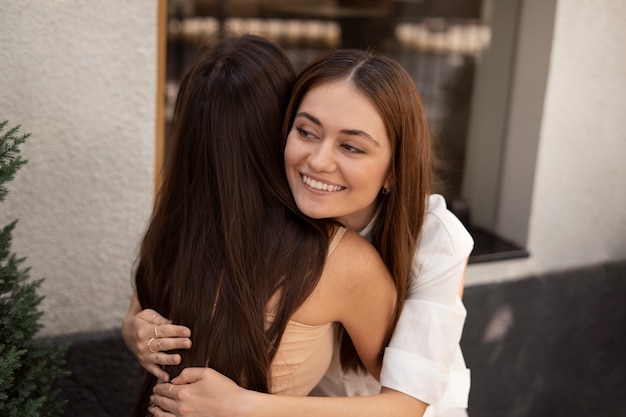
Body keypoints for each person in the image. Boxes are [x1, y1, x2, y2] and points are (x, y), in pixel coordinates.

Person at [127, 47, 474, 417]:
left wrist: (239, 405)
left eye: (352, 147)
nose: (319, 162)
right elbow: (142, 310)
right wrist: (137, 332)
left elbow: (407, 405)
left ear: (393, 170)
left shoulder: (435, 241)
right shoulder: (275, 224)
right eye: (307, 132)